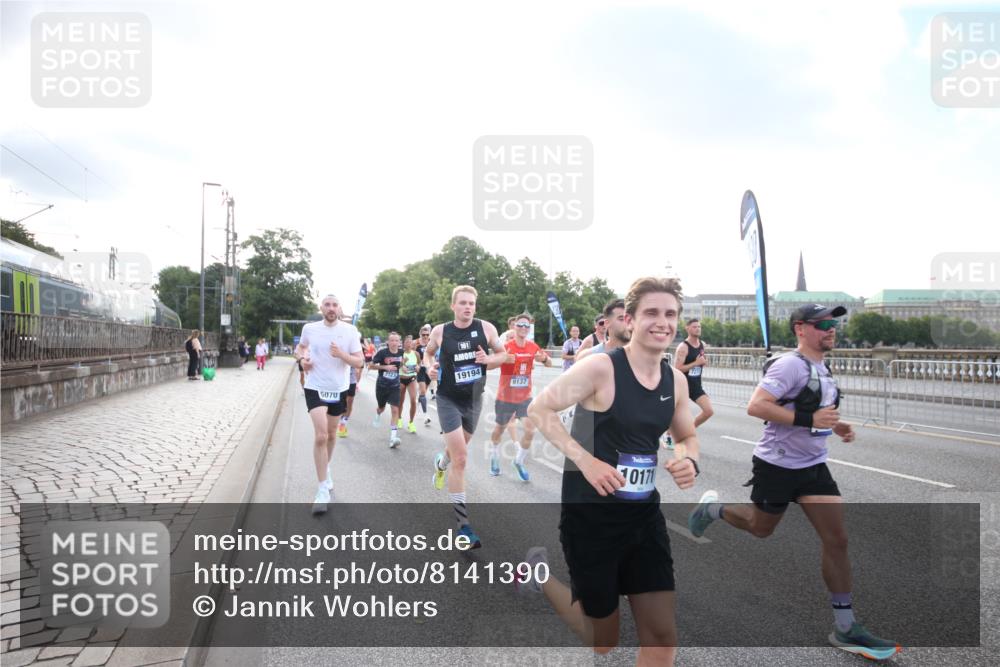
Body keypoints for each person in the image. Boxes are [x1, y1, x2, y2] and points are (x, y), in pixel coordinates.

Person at [688, 304, 900, 661]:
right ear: (801, 328)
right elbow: (757, 406)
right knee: (760, 528)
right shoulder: (790, 364)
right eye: (824, 324)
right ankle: (713, 509)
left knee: (838, 539)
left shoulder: (823, 367)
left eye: (834, 323)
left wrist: (835, 424)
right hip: (777, 465)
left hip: (814, 467)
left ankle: (846, 627)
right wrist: (808, 417)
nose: (832, 329)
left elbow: (815, 410)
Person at [523, 277, 700, 665]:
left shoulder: (677, 380)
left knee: (662, 637)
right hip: (592, 519)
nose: (662, 322)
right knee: (602, 641)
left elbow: (686, 434)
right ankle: (538, 576)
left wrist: (689, 458)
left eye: (670, 314)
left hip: (643, 519)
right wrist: (586, 460)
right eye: (651, 312)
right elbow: (539, 409)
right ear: (631, 320)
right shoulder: (601, 368)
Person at [424, 285, 507, 548]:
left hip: (473, 400)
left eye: (471, 303)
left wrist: (487, 361)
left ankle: (441, 461)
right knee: (461, 458)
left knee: (455, 453)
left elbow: (505, 355)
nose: (468, 307)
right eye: (462, 303)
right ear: (453, 306)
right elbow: (427, 353)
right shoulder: (440, 331)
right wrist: (430, 368)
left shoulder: (487, 329)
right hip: (448, 399)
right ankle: (463, 527)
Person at [293, 295, 364, 514]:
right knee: (321, 436)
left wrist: (342, 354)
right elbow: (300, 348)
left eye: (335, 305)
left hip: (338, 389)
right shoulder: (310, 329)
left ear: (339, 308)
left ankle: (326, 467)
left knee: (332, 435)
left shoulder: (350, 331)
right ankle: (322, 489)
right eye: (327, 305)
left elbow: (360, 361)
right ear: (321, 308)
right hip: (315, 386)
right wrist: (302, 360)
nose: (331, 308)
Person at [488, 313, 552, 481]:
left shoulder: (532, 346)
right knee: (499, 430)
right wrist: (505, 358)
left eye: (526, 326)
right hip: (505, 397)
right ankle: (494, 455)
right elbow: (491, 364)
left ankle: (518, 461)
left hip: (525, 397)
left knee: (530, 430)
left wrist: (544, 358)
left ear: (529, 329)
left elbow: (549, 363)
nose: (523, 328)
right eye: (520, 325)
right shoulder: (506, 346)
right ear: (514, 327)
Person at [673, 318, 715, 428]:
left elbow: (700, 359)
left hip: (696, 386)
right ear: (687, 328)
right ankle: (668, 435)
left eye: (699, 327)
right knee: (677, 416)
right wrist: (696, 363)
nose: (698, 329)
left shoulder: (702, 344)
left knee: (708, 411)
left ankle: (689, 430)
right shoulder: (683, 347)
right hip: (682, 386)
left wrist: (703, 362)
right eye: (694, 327)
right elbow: (677, 369)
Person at [370, 332, 404, 448]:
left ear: (399, 342)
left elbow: (403, 361)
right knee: (381, 408)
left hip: (395, 386)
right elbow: (370, 366)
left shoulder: (401, 352)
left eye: (396, 340)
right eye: (392, 340)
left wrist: (405, 366)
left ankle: (393, 438)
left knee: (395, 410)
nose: (394, 343)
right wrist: (385, 367)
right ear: (388, 342)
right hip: (382, 385)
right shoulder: (382, 353)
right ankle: (378, 413)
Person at [399, 335, 420, 434]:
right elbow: (397, 365)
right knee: (400, 400)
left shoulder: (416, 354)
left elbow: (419, 364)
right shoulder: (400, 354)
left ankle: (411, 423)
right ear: (404, 344)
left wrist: (417, 367)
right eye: (407, 342)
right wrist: (402, 365)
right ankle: (399, 418)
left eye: (410, 342)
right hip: (401, 379)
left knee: (413, 400)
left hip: (412, 379)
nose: (409, 344)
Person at [414, 325, 434, 426]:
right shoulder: (416, 343)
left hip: (429, 370)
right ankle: (426, 416)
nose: (425, 336)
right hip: (420, 370)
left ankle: (417, 408)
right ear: (420, 334)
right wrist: (416, 365)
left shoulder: (432, 343)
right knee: (422, 391)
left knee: (423, 393)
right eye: (423, 335)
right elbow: (410, 355)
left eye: (427, 335)